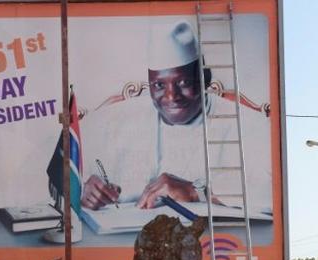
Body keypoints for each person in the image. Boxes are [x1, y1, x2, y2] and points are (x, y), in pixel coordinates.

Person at [79, 20, 272, 213]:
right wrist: (83, 190)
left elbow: (274, 190)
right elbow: (64, 170)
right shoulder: (119, 120)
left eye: (184, 82)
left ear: (206, 79)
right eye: (159, 85)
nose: (172, 97)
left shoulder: (244, 123)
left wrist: (195, 191)